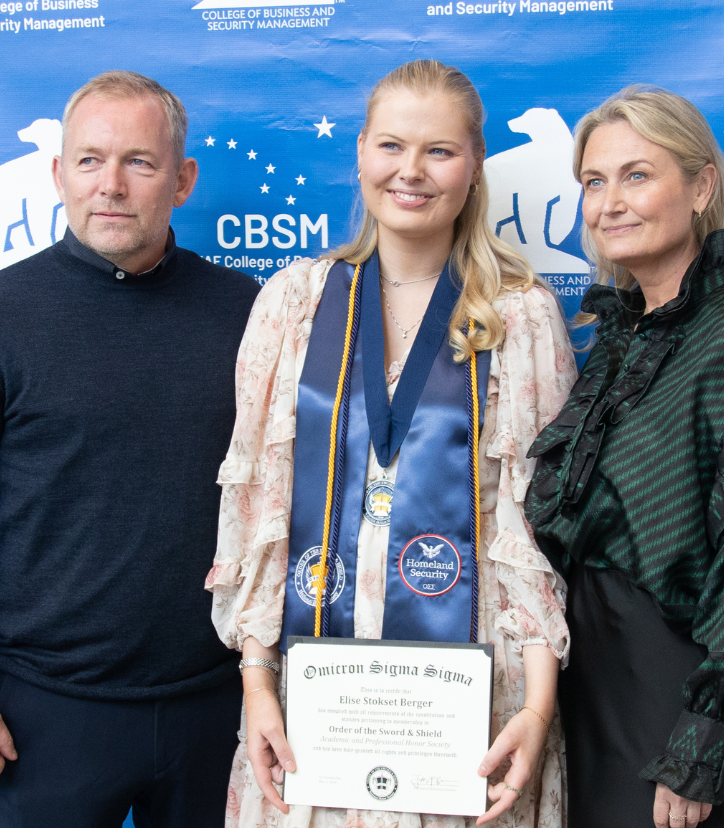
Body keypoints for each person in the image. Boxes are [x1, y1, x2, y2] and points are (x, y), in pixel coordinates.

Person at [207, 59, 577, 828]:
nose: (411, 171)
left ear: (475, 167)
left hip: (471, 704)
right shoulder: (293, 304)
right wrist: (255, 680)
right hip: (314, 700)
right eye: (391, 146)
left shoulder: (522, 316)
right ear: (361, 154)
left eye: (439, 150)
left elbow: (534, 530)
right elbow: (258, 509)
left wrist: (538, 710)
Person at [0, 70, 262, 827]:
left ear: (183, 180)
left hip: (215, 703)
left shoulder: (248, 312)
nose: (112, 185)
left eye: (140, 161)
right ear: (58, 173)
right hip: (47, 715)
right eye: (91, 160)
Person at [523, 85, 724, 828]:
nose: (609, 201)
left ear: (701, 186)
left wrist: (704, 742)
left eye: (637, 175)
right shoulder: (619, 337)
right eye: (593, 181)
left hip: (680, 688)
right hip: (595, 680)